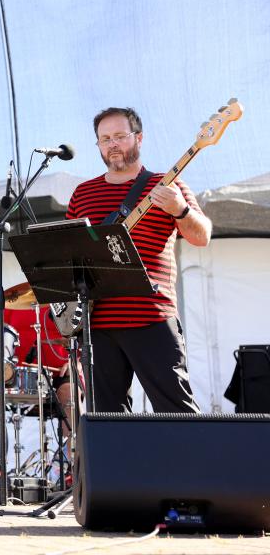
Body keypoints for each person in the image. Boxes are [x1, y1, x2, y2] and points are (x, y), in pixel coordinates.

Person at [66, 106, 211, 413]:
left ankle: (190, 462)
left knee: (177, 411)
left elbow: (202, 236)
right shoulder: (82, 194)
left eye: (120, 136)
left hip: (152, 317)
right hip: (97, 326)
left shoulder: (167, 185)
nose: (112, 144)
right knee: (106, 420)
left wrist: (180, 210)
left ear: (139, 138)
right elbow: (69, 255)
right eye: (104, 139)